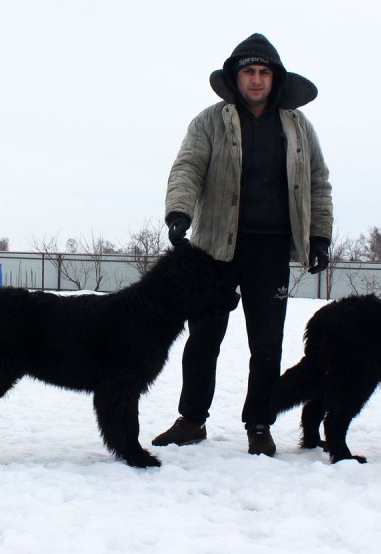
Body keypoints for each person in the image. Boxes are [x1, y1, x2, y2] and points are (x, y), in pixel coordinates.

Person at [153, 33, 334, 456]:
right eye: (248, 71)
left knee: (267, 344)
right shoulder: (209, 121)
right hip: (215, 249)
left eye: (263, 72)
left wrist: (320, 236)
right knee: (204, 338)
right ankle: (192, 420)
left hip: (271, 249)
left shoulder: (298, 126)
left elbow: (318, 183)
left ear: (275, 78)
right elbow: (187, 168)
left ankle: (259, 422)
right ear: (235, 77)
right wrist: (179, 212)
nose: (256, 79)